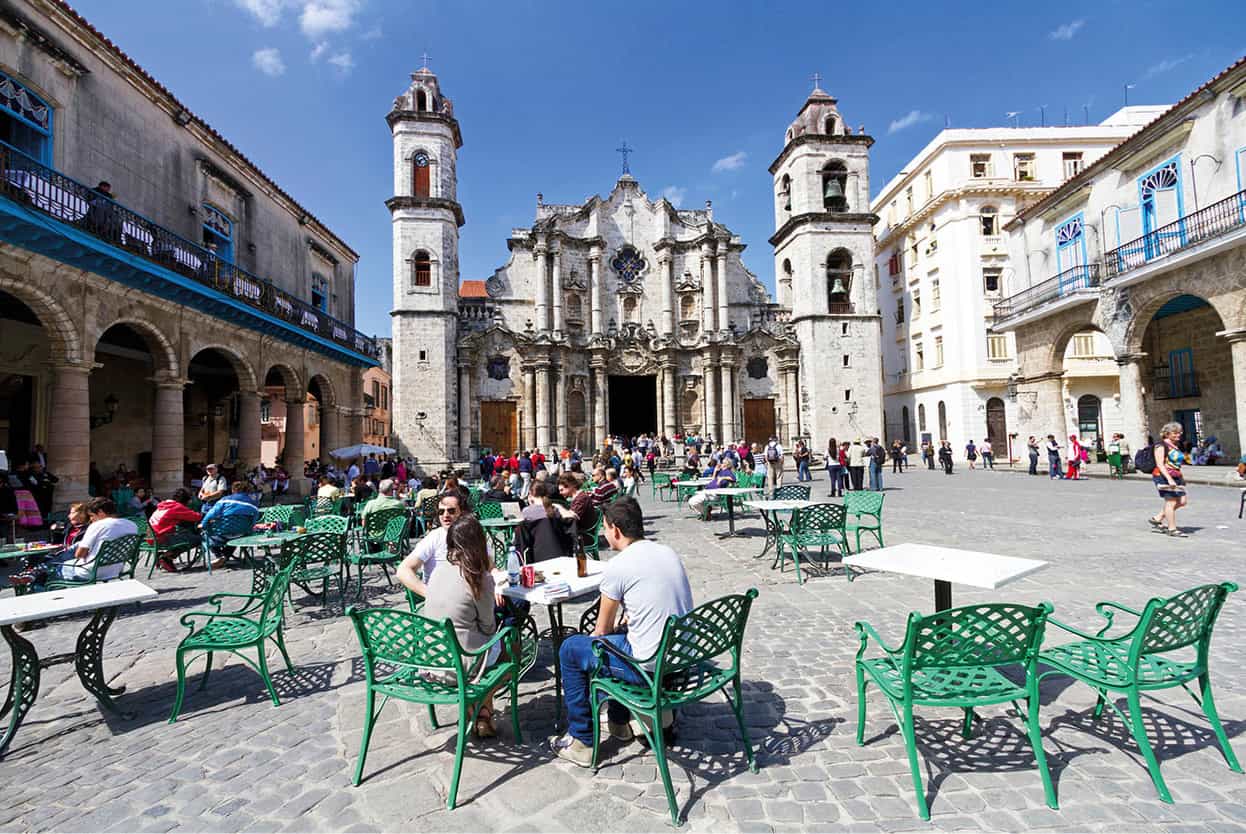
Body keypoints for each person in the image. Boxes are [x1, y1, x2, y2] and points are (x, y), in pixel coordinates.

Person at [552, 497, 693, 766]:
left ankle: (581, 741)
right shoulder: (667, 551)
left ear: (615, 530)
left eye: (605, 528)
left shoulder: (619, 565)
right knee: (622, 637)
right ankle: (619, 722)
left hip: (651, 668)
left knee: (572, 650)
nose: (605, 534)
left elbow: (600, 633)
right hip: (681, 660)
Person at [418, 515, 505, 738]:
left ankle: (480, 712)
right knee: (511, 647)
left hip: (433, 660)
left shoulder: (437, 571)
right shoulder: (478, 576)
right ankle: (481, 710)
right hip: (459, 664)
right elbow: (488, 628)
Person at [45, 497, 137, 583]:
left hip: (89, 571)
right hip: (115, 569)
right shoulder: (132, 525)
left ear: (100, 512)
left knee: (52, 571)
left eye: (92, 516)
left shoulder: (98, 525)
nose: (91, 520)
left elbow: (79, 554)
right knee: (77, 545)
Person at [201, 481, 261, 567]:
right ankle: (225, 556)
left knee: (205, 535)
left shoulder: (224, 500)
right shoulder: (252, 503)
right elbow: (255, 518)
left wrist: (203, 524)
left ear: (233, 490)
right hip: (242, 533)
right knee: (235, 538)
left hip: (222, 532)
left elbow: (211, 514)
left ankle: (219, 555)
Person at [1149, 422, 1189, 538]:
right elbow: (1160, 464)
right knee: (1170, 502)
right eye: (1175, 433)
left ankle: (1158, 518)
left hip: (1176, 476)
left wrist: (1181, 478)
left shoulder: (1175, 445)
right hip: (1163, 476)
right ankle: (1172, 528)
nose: (1178, 435)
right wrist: (1169, 479)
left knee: (1182, 501)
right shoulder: (1160, 446)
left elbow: (1176, 464)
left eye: (1179, 433)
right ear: (1167, 433)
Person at [147, 488, 203, 572]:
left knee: (183, 534)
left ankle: (164, 556)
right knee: (197, 539)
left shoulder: (164, 505)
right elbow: (196, 517)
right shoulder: (177, 507)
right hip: (161, 538)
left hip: (150, 537)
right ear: (186, 500)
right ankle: (166, 557)